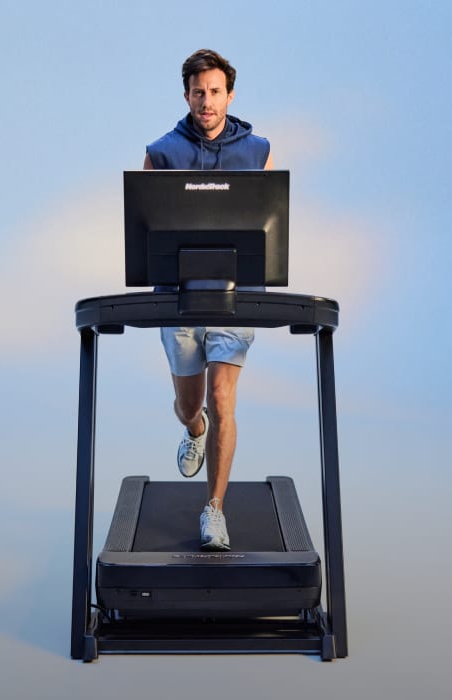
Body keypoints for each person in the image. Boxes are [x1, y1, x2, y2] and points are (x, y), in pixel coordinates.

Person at [144, 49, 273, 551]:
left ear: (229, 95)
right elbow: (145, 231)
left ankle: (213, 510)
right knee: (190, 406)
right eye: (198, 92)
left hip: (234, 296)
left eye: (215, 92)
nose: (207, 101)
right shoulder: (161, 152)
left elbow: (270, 225)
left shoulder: (257, 150)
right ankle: (192, 429)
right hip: (179, 301)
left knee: (224, 399)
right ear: (187, 96)